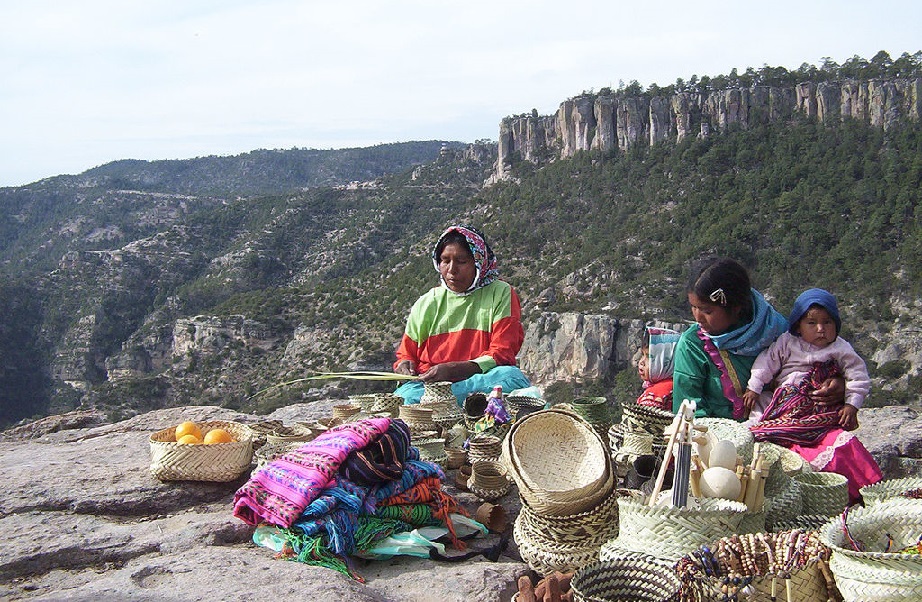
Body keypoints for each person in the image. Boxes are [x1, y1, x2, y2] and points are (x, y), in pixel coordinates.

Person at [671, 258, 880, 502]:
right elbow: (690, 412)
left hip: (789, 424)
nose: (698, 317)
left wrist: (838, 383)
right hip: (726, 446)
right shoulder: (694, 345)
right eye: (693, 307)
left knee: (840, 453)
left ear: (736, 307)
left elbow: (814, 362)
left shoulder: (777, 330)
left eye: (707, 311)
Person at [746, 288, 881, 501]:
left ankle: (868, 491)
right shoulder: (787, 342)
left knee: (842, 442)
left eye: (827, 322)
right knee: (763, 407)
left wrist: (851, 405)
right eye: (812, 323)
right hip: (787, 400)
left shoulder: (840, 348)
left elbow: (858, 376)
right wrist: (754, 387)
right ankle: (761, 430)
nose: (821, 329)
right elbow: (766, 362)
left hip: (819, 404)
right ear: (798, 326)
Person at [392, 225, 531, 406]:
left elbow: (503, 352)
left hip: (479, 379)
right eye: (445, 260)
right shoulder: (426, 303)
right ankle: (449, 401)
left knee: (511, 378)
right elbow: (406, 353)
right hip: (431, 386)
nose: (451, 270)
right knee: (404, 397)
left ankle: (437, 404)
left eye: (462, 261)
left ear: (478, 262)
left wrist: (456, 369)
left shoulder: (500, 292)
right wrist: (404, 365)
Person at [635, 326, 682, 410]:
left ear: (667, 361)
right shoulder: (679, 386)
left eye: (649, 357)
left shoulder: (654, 397)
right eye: (643, 355)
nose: (641, 362)